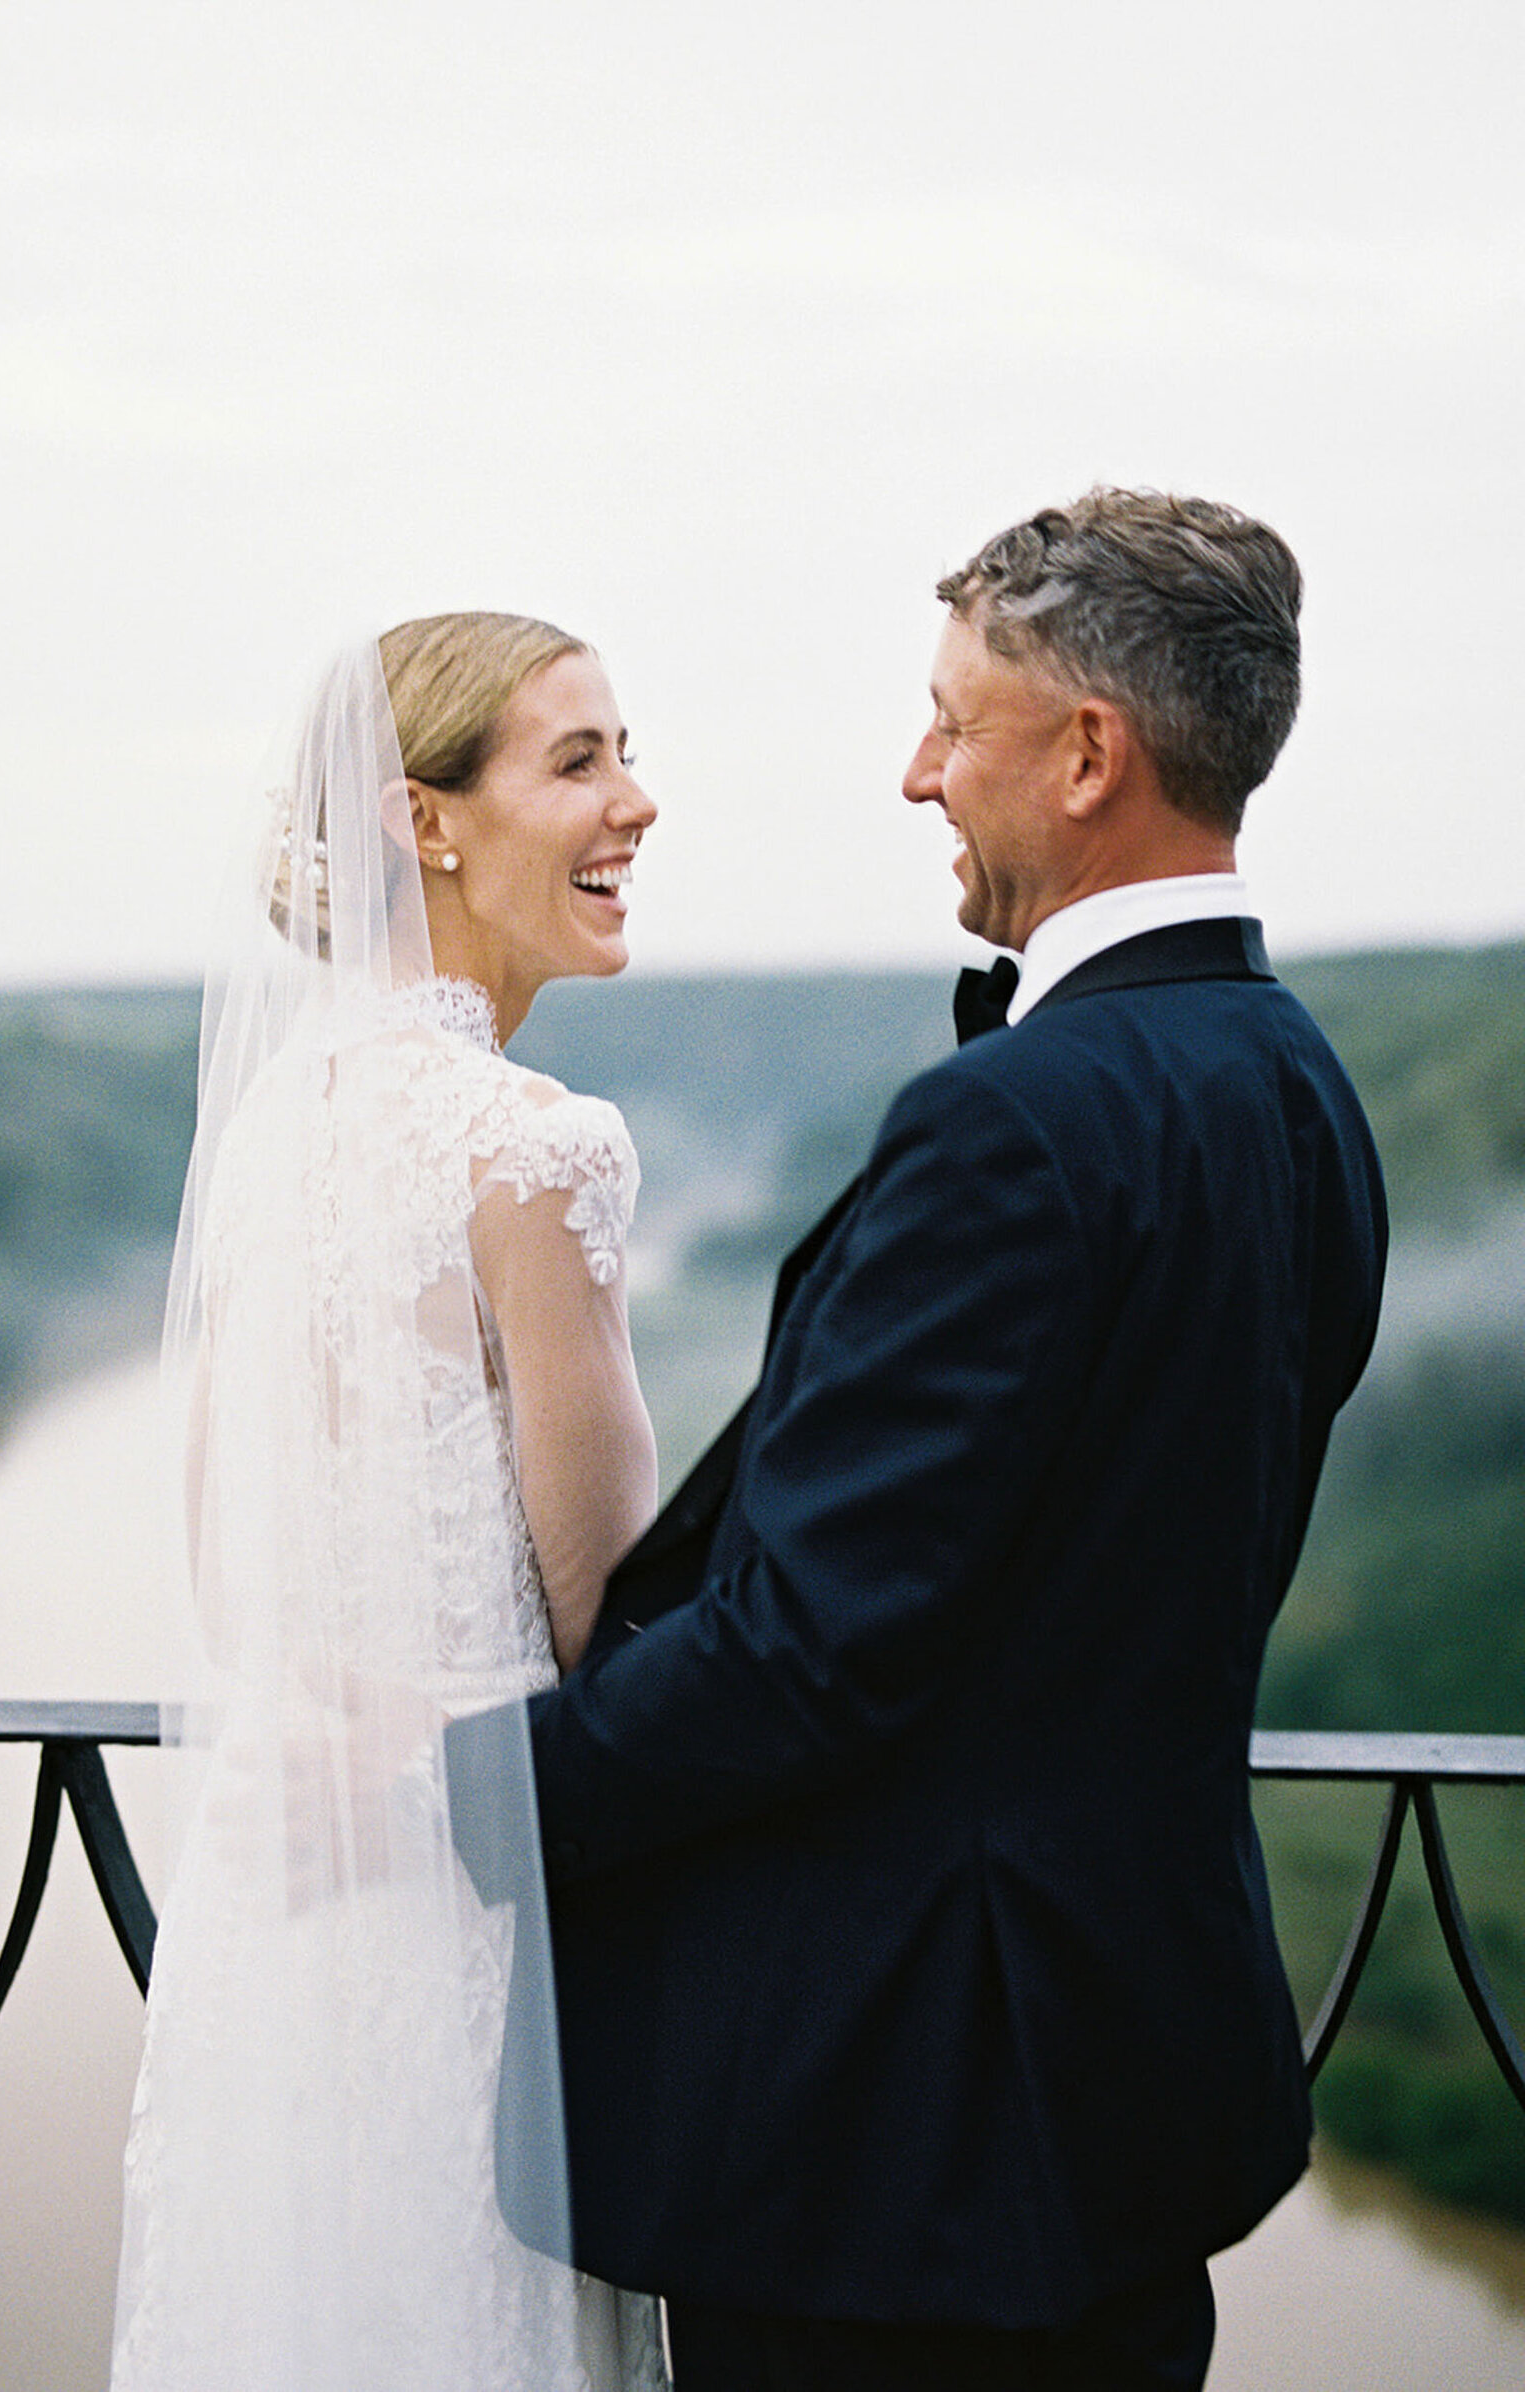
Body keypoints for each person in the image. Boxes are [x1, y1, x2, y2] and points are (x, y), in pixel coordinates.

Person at [505, 491, 1389, 2390]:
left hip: (902, 2137)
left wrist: (475, 1803)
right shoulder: (1304, 1088)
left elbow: (810, 1650)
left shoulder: (1016, 1124)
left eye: (949, 721)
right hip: (1136, 2088)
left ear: (1089, 754)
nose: (915, 776)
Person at [111, 614, 669, 2391]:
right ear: (425, 819)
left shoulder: (275, 1122)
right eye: (576, 760)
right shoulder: (537, 1148)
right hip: (468, 1913)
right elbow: (620, 1626)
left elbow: (229, 1574)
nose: (636, 806)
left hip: (274, 1912)